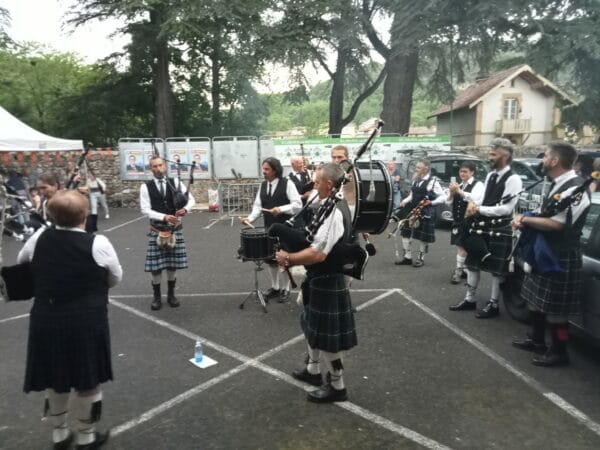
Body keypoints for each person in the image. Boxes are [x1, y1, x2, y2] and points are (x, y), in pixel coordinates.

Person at [17, 190, 122, 450]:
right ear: (84, 215)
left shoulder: (39, 237)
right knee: (88, 378)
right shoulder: (98, 243)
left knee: (55, 376)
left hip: (47, 318)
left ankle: (60, 435)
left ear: (52, 215)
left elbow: (23, 264)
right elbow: (115, 277)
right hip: (86, 320)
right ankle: (86, 437)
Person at [275, 163, 357, 403]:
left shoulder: (334, 213)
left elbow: (318, 254)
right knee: (310, 324)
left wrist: (288, 259)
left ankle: (338, 386)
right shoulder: (329, 205)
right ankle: (312, 370)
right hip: (319, 278)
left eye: (317, 182)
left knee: (327, 338)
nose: (313, 185)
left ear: (329, 184)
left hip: (327, 278)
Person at [511, 142, 590, 366]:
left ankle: (559, 351)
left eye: (545, 156)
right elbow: (547, 213)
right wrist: (528, 217)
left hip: (560, 255)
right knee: (535, 301)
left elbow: (557, 224)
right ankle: (537, 340)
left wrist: (525, 219)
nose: (542, 160)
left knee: (557, 311)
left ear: (555, 161)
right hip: (544, 250)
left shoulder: (576, 189)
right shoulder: (559, 184)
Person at [449, 138, 523, 318]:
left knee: (496, 271)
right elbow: (485, 199)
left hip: (500, 227)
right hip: (481, 225)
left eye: (493, 154)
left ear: (505, 156)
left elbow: (506, 209)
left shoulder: (513, 179)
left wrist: (479, 209)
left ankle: (494, 304)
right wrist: (474, 204)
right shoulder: (491, 176)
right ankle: (470, 299)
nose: (489, 157)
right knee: (472, 264)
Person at [242, 157, 302, 303]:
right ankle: (275, 287)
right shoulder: (263, 185)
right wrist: (249, 218)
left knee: (284, 259)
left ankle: (286, 289)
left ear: (275, 170)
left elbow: (297, 204)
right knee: (271, 259)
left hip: (285, 228)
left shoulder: (287, 183)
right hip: (269, 227)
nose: (264, 171)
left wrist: (281, 209)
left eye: (267, 169)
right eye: (263, 169)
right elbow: (258, 206)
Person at [140, 156, 195, 310]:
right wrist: (163, 216)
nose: (158, 169)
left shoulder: (175, 182)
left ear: (164, 166)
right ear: (151, 169)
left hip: (174, 230)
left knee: (172, 265)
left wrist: (185, 209)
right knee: (155, 268)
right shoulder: (146, 187)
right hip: (157, 229)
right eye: (154, 166)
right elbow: (145, 209)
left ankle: (171, 294)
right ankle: (157, 297)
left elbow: (191, 200)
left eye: (160, 165)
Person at [396, 159, 446, 267]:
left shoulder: (432, 182)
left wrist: (432, 202)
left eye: (418, 167)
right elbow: (412, 195)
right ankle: (407, 257)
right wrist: (405, 201)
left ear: (426, 169)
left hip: (426, 211)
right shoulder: (416, 180)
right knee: (405, 233)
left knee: (423, 237)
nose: (416, 169)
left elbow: (443, 197)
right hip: (413, 210)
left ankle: (420, 258)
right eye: (416, 167)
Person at [446, 161, 484, 283]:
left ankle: (459, 270)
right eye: (461, 171)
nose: (462, 174)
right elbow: (448, 202)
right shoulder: (459, 185)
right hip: (458, 221)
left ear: (472, 172)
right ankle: (464, 269)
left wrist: (458, 190)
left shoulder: (478, 185)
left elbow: (476, 199)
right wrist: (451, 192)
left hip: (470, 220)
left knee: (463, 247)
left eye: (465, 171)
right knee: (461, 246)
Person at [288, 155, 314, 227]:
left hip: (310, 207)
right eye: (299, 163)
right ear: (293, 165)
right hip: (298, 209)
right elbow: (290, 196)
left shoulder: (309, 173)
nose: (302, 165)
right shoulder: (288, 179)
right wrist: (303, 196)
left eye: (302, 162)